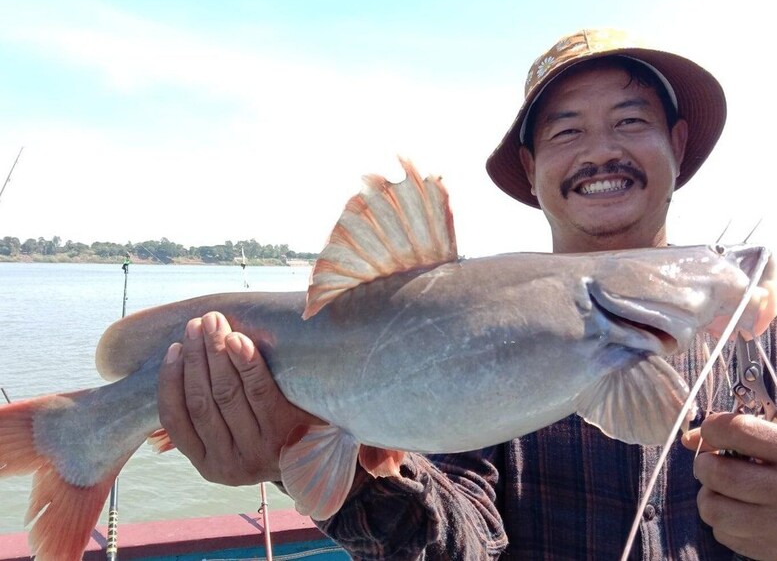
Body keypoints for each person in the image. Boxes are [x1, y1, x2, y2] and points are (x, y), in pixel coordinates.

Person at [157, 29, 777, 559]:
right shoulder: (472, 323)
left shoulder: (763, 328)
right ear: (531, 169)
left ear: (679, 141)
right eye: (566, 132)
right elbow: (465, 542)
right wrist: (340, 477)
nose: (600, 151)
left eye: (630, 120)